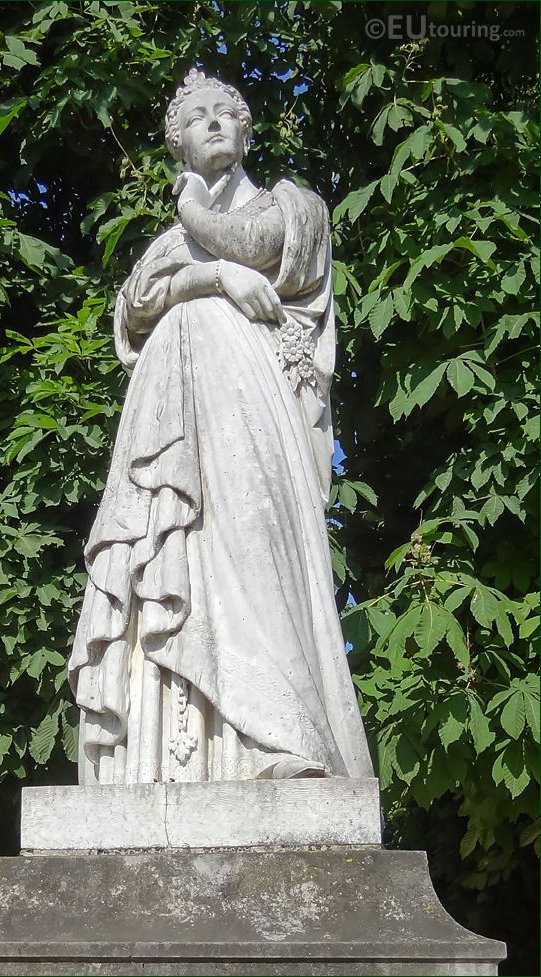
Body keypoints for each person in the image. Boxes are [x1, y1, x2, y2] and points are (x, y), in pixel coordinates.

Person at [68, 68, 373, 786]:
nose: (210, 123)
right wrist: (206, 282)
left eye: (223, 114)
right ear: (176, 144)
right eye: (193, 118)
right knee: (170, 555)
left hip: (251, 410)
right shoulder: (170, 242)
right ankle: (166, 764)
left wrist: (192, 226)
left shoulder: (294, 207)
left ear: (245, 131)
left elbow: (256, 245)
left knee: (250, 544)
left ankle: (282, 734)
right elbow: (135, 307)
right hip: (168, 421)